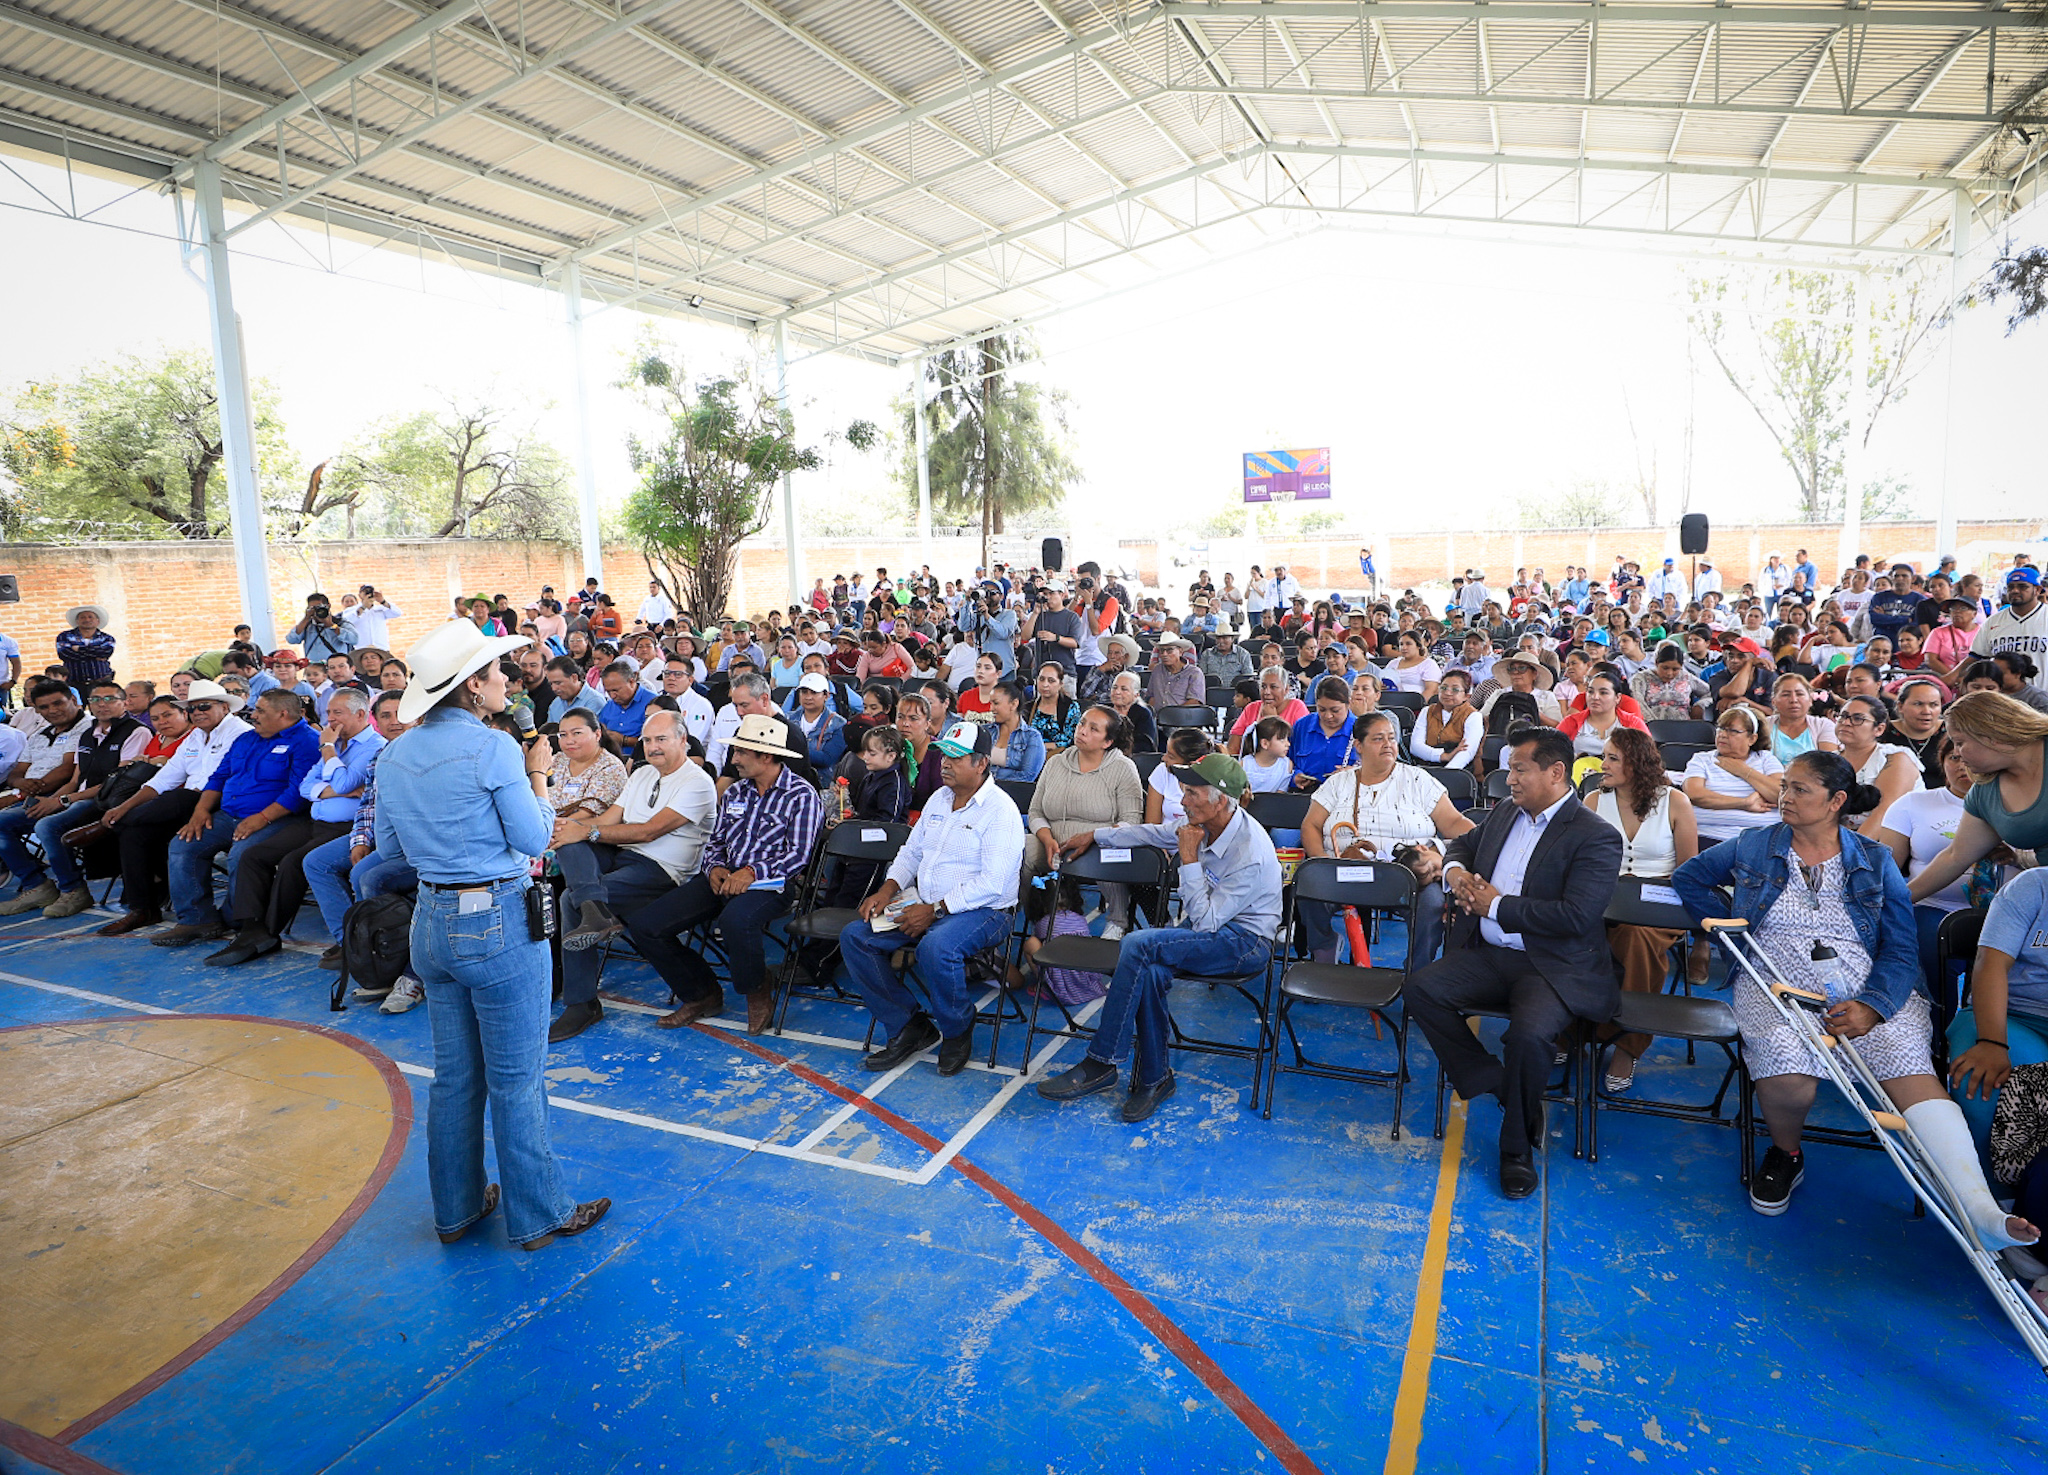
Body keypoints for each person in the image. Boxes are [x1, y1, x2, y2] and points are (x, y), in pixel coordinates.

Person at [1673, 752, 2035, 1245]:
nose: (1786, 797)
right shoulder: (1753, 845)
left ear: (1836, 801)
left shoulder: (1874, 858)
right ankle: (1787, 1154)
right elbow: (1688, 877)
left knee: (1909, 1069)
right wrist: (1730, 933)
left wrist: (1875, 1004)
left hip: (1868, 982)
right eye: (1786, 787)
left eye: (1801, 789)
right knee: (1788, 1066)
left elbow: (1902, 946)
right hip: (1773, 976)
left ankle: (1979, 1208)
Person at [372, 618, 609, 1251]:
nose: (507, 677)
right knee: (516, 1078)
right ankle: (540, 1215)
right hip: (498, 920)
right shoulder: (496, 747)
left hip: (431, 922)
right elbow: (536, 840)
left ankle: (457, 1208)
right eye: (497, 670)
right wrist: (538, 772)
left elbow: (391, 848)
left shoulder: (393, 752)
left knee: (455, 1078)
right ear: (474, 686)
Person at [1403, 727, 1624, 1200]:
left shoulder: (1595, 837)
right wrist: (1457, 872)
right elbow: (1463, 842)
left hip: (1550, 965)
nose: (1510, 778)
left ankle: (1516, 1148)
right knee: (1420, 989)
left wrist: (1497, 907)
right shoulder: (1506, 810)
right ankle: (1501, 1085)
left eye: (1520, 769)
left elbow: (1577, 916)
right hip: (1489, 954)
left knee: (1529, 1036)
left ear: (1555, 773)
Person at [1037, 754, 1283, 1122]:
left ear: (1221, 800)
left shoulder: (1250, 851)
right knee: (1149, 971)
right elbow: (1149, 833)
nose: (1182, 802)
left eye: (1192, 794)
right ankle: (1155, 1078)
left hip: (1244, 943)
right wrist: (1096, 835)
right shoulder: (1202, 825)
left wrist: (1187, 859)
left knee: (1137, 943)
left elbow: (1204, 923)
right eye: (1183, 792)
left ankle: (1100, 1061)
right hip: (1212, 929)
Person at [838, 720, 1026, 1075]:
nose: (945, 763)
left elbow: (993, 882)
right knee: (856, 936)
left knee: (936, 948)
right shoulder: (939, 799)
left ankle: (956, 1029)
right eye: (943, 755)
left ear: (981, 763)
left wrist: (936, 909)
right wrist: (887, 889)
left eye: (956, 757)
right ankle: (908, 1025)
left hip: (983, 911)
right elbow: (911, 852)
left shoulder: (1001, 811)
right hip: (924, 901)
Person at [640, 714, 824, 1035]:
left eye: (740, 753)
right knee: (647, 925)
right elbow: (716, 840)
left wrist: (752, 873)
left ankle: (756, 989)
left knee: (736, 920)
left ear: (766, 756)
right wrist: (715, 868)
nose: (733, 759)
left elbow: (799, 855)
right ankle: (701, 993)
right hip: (725, 878)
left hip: (772, 884)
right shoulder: (737, 792)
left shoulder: (801, 794)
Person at [550, 710, 717, 1042]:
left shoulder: (697, 782)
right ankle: (595, 912)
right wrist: (569, 830)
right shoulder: (642, 775)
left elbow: (648, 832)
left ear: (683, 740)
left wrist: (586, 833)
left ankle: (581, 1004)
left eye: (661, 739)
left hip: (662, 870)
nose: (652, 747)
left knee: (570, 898)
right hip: (626, 857)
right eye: (647, 740)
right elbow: (611, 818)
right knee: (569, 844)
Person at [205, 688, 384, 965]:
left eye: (338, 713)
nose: (330, 719)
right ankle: (251, 928)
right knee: (254, 855)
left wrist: (328, 754)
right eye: (328, 713)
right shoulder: (335, 744)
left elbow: (342, 783)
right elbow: (306, 786)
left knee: (294, 863)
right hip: (315, 822)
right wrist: (336, 786)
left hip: (347, 827)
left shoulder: (373, 746)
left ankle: (267, 933)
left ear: (360, 715)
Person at [151, 689, 321, 952]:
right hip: (228, 815)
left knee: (242, 854)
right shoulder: (246, 739)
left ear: (282, 714)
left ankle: (234, 918)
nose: (253, 716)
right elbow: (219, 777)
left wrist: (262, 818)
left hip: (278, 819)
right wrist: (201, 811)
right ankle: (198, 920)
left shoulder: (307, 742)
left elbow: (298, 792)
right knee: (183, 845)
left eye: (260, 711)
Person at [1300, 711, 1472, 967]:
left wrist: (1481, 839)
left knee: (1433, 903)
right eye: (1378, 738)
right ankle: (1325, 946)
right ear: (1358, 745)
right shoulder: (1338, 782)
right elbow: (1311, 825)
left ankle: (1417, 969)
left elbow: (1454, 822)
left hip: (1408, 875)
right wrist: (1324, 862)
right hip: (1347, 872)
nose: (1388, 744)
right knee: (1308, 884)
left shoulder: (1417, 779)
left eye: (1391, 738)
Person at [1584, 727, 1700, 1092]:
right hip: (1605, 894)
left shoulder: (1674, 802)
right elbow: (1581, 862)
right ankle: (1569, 1027)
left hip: (1659, 899)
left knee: (1636, 937)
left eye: (1612, 758)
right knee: (1570, 929)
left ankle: (1627, 1043)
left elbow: (1688, 869)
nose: (1602, 765)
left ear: (1635, 764)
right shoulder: (1592, 801)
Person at [90, 680, 250, 934]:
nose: (197, 713)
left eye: (204, 707)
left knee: (179, 798)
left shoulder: (239, 733)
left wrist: (124, 813)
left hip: (219, 803)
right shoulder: (195, 736)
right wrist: (123, 808)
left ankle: (106, 828)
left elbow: (221, 781)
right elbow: (164, 778)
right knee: (134, 833)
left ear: (224, 707)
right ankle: (143, 909)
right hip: (187, 801)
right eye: (192, 709)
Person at [1949, 867, 2048, 1157]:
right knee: (1980, 1076)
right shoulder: (2033, 886)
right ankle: (1991, 1194)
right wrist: (1992, 1043)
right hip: (2009, 1015)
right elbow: (1990, 961)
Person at [1025, 705, 1144, 937]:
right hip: (1054, 845)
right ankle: (1030, 919)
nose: (1082, 731)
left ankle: (1118, 920)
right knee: (1022, 850)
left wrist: (1093, 837)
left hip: (1098, 843)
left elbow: (1131, 821)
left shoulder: (1123, 768)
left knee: (1112, 849)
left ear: (1107, 742)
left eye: (1093, 729)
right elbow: (1036, 811)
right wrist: (1047, 839)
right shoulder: (1055, 763)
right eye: (1081, 724)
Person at [1683, 708, 1785, 844]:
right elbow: (1695, 794)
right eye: (1720, 728)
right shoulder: (1702, 759)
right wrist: (1744, 803)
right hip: (1710, 837)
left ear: (1752, 738)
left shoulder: (1765, 759)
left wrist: (1743, 771)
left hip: (1763, 838)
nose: (1723, 735)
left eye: (1732, 731)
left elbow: (1781, 795)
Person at [1832, 693, 1922, 834]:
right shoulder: (1830, 760)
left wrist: (1851, 852)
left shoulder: (1895, 758)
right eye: (1843, 716)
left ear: (1879, 729)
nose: (1846, 722)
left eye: (1857, 719)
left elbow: (1885, 812)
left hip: (1891, 838)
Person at [1972, 566, 2048, 701]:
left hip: (2043, 698)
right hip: (2002, 700)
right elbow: (1976, 656)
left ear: (2037, 590)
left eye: (2022, 586)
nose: (2015, 591)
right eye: (2010, 587)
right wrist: (1952, 676)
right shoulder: (1993, 622)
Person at [1555, 672, 1649, 759]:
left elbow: (1647, 756)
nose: (1595, 697)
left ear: (1617, 698)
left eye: (1603, 693)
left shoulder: (1633, 723)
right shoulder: (1571, 721)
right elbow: (1552, 752)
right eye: (1590, 692)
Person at [1288, 676, 1357, 792]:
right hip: (1302, 794)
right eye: (1322, 709)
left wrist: (1354, 772)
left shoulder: (1361, 729)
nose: (1328, 716)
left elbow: (1375, 770)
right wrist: (1295, 776)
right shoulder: (1302, 726)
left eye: (1335, 710)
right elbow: (1285, 761)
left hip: (1344, 796)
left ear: (1348, 703)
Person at [1764, 672, 1837, 765]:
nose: (1793, 700)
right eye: (1786, 695)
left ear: (1810, 700)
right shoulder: (1764, 725)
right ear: (1773, 701)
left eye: (1800, 694)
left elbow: (1828, 766)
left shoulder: (1823, 725)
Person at [986, 680, 1046, 784]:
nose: (991, 708)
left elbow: (1027, 777)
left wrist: (994, 786)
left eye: (996, 703)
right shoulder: (985, 731)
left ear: (1014, 704)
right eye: (990, 703)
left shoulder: (1032, 737)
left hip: (1012, 793)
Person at [1632, 643, 1709, 722]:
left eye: (1675, 669)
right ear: (1656, 663)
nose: (1669, 673)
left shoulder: (1686, 677)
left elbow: (1710, 693)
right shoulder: (1641, 678)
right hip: (1650, 727)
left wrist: (1700, 705)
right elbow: (1637, 703)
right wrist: (1653, 723)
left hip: (1683, 726)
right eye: (1665, 668)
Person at [789, 671, 850, 771]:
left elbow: (827, 758)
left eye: (814, 692)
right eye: (804, 692)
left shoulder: (839, 724)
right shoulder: (788, 718)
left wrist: (791, 749)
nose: (808, 697)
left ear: (826, 695)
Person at [55, 605, 116, 691]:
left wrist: (79, 649)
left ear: (97, 621)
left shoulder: (107, 638)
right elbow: (64, 655)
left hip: (101, 682)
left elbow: (105, 653)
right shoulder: (64, 636)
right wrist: (95, 654)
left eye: (90, 617)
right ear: (77, 621)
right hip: (74, 683)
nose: (87, 620)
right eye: (82, 617)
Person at [1026, 662, 1078, 752]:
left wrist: (1042, 746)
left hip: (1060, 757)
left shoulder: (1070, 707)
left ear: (1060, 683)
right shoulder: (1028, 708)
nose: (1045, 684)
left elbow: (1072, 740)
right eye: (1041, 679)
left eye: (1051, 681)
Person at [1145, 636, 1204, 712]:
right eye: (1162, 650)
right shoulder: (1157, 670)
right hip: (1158, 718)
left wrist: (1173, 715)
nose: (1164, 654)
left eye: (1169, 650)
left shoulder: (1194, 673)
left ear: (1180, 652)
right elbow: (1151, 697)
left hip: (1184, 718)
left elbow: (1194, 702)